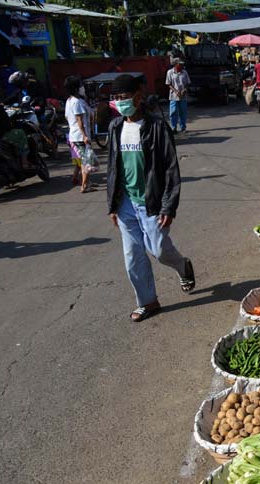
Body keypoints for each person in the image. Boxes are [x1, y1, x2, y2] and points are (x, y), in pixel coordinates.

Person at [106, 74, 195, 323]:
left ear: (137, 96)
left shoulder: (156, 127)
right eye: (115, 98)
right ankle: (148, 302)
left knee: (158, 250)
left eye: (122, 97)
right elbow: (113, 168)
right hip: (125, 203)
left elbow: (170, 168)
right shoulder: (116, 128)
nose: (118, 102)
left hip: (152, 201)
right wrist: (113, 204)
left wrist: (169, 205)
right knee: (132, 255)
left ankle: (182, 265)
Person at [64, 75, 95, 192]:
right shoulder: (76, 102)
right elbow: (79, 120)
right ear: (77, 88)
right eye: (81, 86)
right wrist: (85, 135)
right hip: (80, 136)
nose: (82, 88)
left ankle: (87, 182)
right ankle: (85, 185)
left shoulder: (69, 101)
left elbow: (67, 117)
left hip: (75, 135)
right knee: (86, 161)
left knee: (83, 160)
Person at [165, 59, 190, 132]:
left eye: (182, 64)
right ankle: (174, 127)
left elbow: (187, 83)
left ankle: (183, 127)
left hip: (183, 95)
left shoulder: (184, 72)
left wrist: (184, 90)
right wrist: (176, 91)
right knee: (173, 112)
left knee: (183, 112)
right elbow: (168, 84)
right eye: (180, 64)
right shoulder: (170, 72)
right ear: (175, 65)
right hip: (173, 96)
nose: (182, 65)